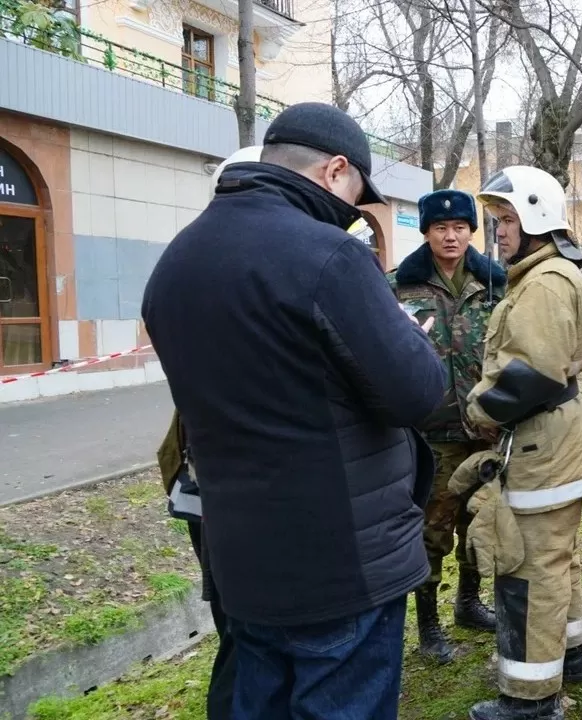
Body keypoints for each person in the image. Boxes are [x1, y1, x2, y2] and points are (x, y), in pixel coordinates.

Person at [142, 102, 448, 720]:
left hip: (242, 564)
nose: (358, 210)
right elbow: (418, 393)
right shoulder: (329, 256)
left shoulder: (175, 261)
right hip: (342, 566)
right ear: (337, 169)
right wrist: (408, 334)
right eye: (359, 193)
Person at [465, 165, 582, 720]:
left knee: (528, 568)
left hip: (541, 446)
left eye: (506, 219)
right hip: (558, 441)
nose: (497, 231)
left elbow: (532, 375)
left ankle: (529, 700)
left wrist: (481, 410)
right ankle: (568, 659)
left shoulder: (545, 282)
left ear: (535, 218)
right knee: (557, 559)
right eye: (497, 220)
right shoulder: (551, 273)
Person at [150, 145, 269, 720]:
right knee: (250, 637)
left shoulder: (193, 263)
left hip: (206, 487)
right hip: (236, 490)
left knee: (239, 631)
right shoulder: (248, 276)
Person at [387, 188, 506, 663]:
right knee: (430, 532)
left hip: (484, 429)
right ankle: (429, 626)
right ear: (427, 232)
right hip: (429, 432)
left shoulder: (494, 283)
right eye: (441, 228)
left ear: (471, 232)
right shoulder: (399, 285)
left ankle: (468, 604)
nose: (451, 236)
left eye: (459, 228)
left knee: (478, 524)